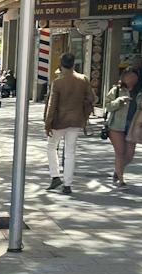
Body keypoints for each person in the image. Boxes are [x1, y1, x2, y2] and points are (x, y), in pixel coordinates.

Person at [43, 52, 95, 196]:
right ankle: (68, 184)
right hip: (77, 120)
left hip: (60, 121)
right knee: (70, 152)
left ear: (61, 65)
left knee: (51, 146)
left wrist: (48, 123)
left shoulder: (58, 82)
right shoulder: (83, 79)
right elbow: (92, 98)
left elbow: (52, 105)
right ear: (74, 64)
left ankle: (55, 176)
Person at [104, 67, 142, 188]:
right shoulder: (116, 90)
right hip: (116, 126)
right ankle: (121, 180)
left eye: (133, 76)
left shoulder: (141, 91)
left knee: (129, 155)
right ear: (123, 77)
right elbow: (108, 106)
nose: (131, 79)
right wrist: (119, 101)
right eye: (128, 76)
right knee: (120, 152)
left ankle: (117, 170)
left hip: (133, 125)